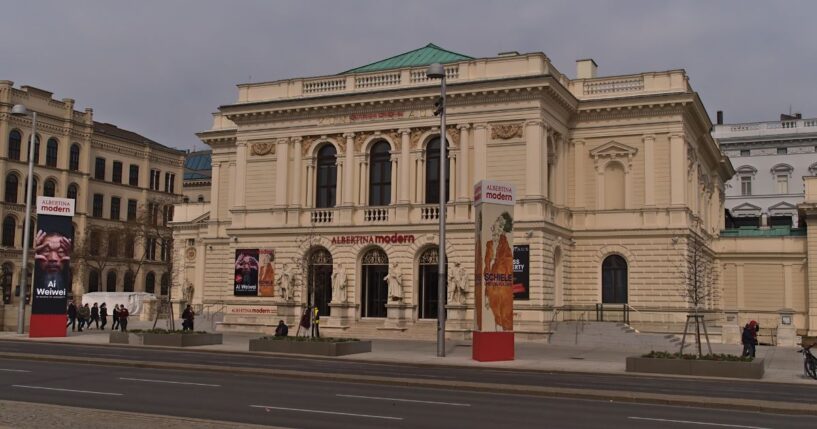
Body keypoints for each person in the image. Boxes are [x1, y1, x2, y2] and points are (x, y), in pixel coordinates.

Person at [483, 212, 514, 331]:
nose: (497, 228)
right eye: (497, 222)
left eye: (501, 227)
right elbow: (487, 269)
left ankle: (501, 329)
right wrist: (486, 294)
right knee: (495, 313)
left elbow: (507, 266)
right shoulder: (489, 245)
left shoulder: (506, 247)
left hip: (502, 288)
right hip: (492, 287)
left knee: (502, 315)